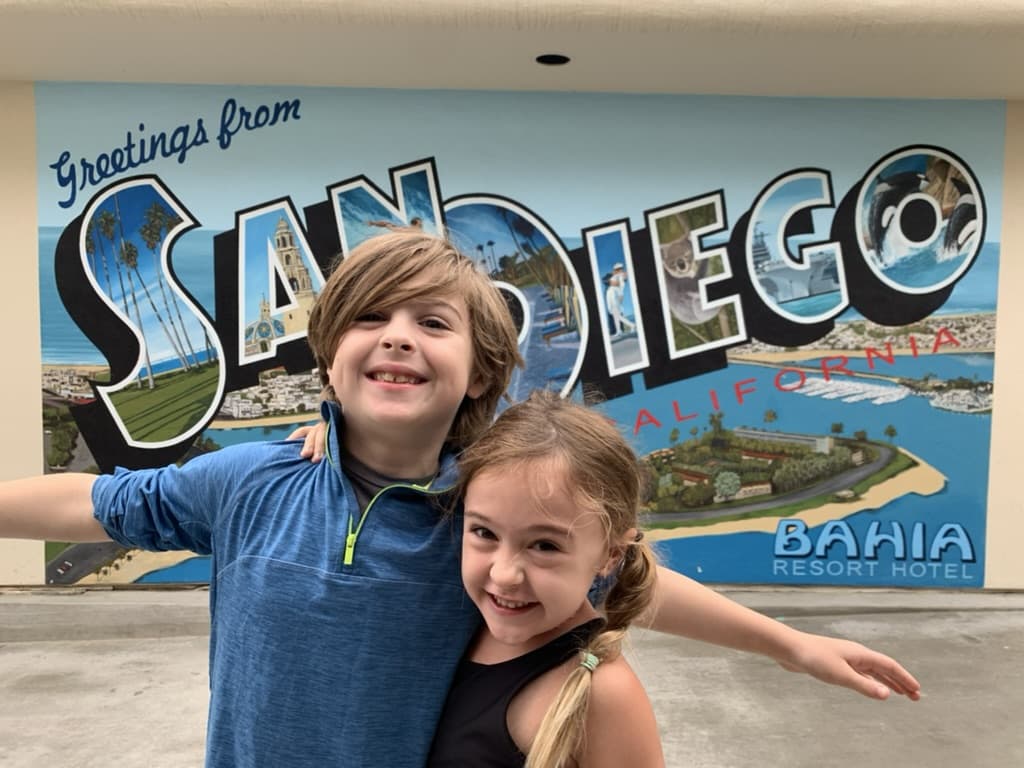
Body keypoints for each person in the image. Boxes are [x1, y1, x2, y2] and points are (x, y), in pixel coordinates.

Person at [1, 230, 918, 768]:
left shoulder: (484, 512)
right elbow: (96, 500)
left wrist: (788, 644)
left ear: (478, 367)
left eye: (431, 323)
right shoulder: (247, 480)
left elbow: (629, 576)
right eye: (371, 317)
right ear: (329, 351)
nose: (398, 338)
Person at [427, 389, 664, 767]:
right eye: (484, 533)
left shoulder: (603, 694)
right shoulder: (460, 618)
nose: (503, 575)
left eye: (544, 546)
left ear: (611, 554)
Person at [604, 263, 635, 338]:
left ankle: (632, 325)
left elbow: (616, 285)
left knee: (616, 314)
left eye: (617, 269)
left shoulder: (621, 276)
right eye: (616, 269)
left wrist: (612, 278)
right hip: (610, 294)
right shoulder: (617, 275)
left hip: (614, 295)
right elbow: (607, 281)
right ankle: (619, 331)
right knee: (612, 312)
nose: (615, 271)